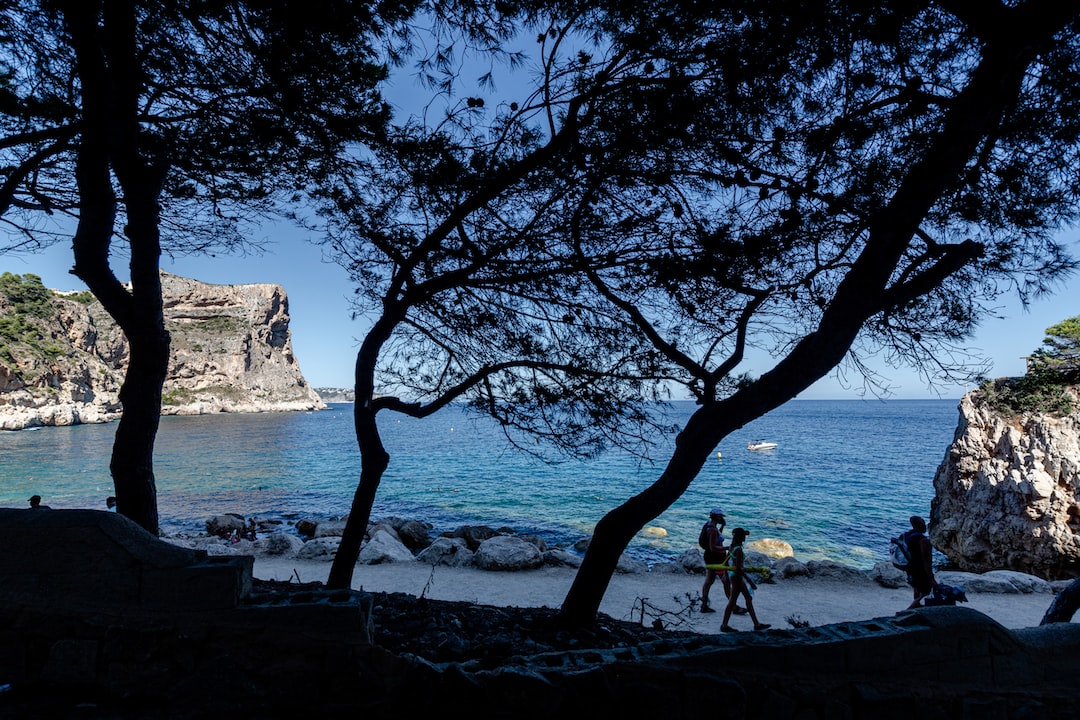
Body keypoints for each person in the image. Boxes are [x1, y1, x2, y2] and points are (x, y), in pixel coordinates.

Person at [720, 527, 771, 632]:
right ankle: (724, 625)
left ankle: (756, 624)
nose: (745, 537)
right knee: (732, 601)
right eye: (743, 535)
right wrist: (750, 580)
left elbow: (725, 562)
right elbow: (739, 568)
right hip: (737, 576)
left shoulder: (731, 547)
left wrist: (725, 574)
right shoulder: (738, 549)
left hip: (733, 575)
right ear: (740, 537)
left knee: (748, 598)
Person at [700, 508, 746, 614]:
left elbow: (717, 538)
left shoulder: (710, 525)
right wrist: (727, 548)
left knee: (709, 580)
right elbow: (713, 547)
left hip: (711, 557)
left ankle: (704, 605)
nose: (722, 518)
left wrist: (722, 526)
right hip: (716, 558)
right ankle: (734, 607)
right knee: (725, 581)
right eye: (721, 516)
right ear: (717, 516)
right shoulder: (712, 530)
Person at [902, 515, 939, 609]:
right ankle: (908, 611)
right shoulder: (923, 540)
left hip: (910, 568)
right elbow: (927, 561)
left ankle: (916, 607)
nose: (925, 526)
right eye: (923, 524)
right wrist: (931, 578)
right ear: (919, 525)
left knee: (917, 588)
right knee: (926, 591)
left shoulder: (907, 536)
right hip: (920, 570)